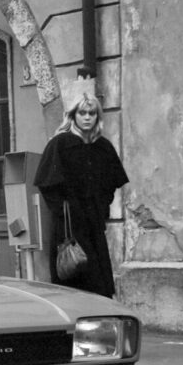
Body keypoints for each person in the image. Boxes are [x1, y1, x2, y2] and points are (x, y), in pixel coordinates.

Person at [34, 94, 128, 297]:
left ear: (97, 116)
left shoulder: (103, 147)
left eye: (92, 113)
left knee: (99, 281)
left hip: (94, 224)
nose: (87, 117)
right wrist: (64, 210)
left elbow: (112, 183)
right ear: (73, 115)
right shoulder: (59, 144)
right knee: (73, 279)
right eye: (82, 112)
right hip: (69, 228)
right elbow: (46, 184)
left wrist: (102, 207)